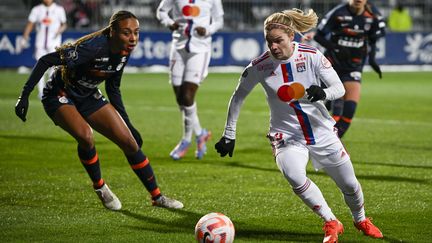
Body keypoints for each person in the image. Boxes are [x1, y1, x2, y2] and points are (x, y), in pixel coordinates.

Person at [214, 8, 383, 243]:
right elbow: (238, 96)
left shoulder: (312, 55)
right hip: (286, 135)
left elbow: (339, 89)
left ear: (291, 37)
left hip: (322, 131)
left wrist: (322, 93)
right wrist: (229, 134)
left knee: (350, 184)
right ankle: (331, 221)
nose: (273, 47)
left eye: (278, 41)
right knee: (293, 174)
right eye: (269, 41)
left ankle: (361, 219)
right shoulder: (259, 66)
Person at [15, 10, 183, 210]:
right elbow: (46, 60)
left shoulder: (124, 51)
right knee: (86, 136)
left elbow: (113, 88)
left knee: (130, 143)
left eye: (136, 33)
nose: (133, 38)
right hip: (59, 94)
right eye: (127, 33)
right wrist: (24, 95)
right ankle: (100, 187)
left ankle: (157, 198)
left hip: (87, 95)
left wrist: (128, 125)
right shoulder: (92, 48)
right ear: (112, 32)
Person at [156, 0, 224, 160]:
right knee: (181, 98)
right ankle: (200, 133)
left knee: (187, 96)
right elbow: (161, 11)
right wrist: (169, 22)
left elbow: (219, 20)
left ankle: (186, 140)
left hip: (200, 49)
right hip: (178, 48)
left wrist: (208, 29)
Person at [313, 0, 386, 138]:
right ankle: (305, 135)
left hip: (354, 66)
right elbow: (318, 36)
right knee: (317, 104)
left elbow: (373, 38)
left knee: (350, 109)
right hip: (331, 65)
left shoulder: (373, 15)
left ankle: (334, 141)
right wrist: (335, 48)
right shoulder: (338, 13)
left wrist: (372, 59)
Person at [21, 0, 67, 99]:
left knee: (53, 68)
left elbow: (64, 24)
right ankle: (41, 92)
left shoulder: (59, 9)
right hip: (40, 43)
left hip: (54, 44)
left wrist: (60, 30)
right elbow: (30, 24)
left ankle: (49, 89)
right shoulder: (37, 10)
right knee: (39, 67)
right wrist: (24, 38)